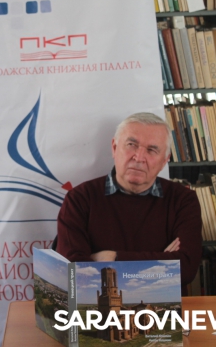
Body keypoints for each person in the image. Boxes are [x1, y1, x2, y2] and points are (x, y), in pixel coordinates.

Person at [56, 112, 202, 289]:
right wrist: (161, 262)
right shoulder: (79, 199)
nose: (139, 158)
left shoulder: (183, 200)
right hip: (98, 305)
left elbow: (185, 269)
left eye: (152, 150)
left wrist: (112, 258)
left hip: (160, 305)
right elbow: (75, 273)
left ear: (164, 161)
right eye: (132, 145)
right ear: (114, 148)